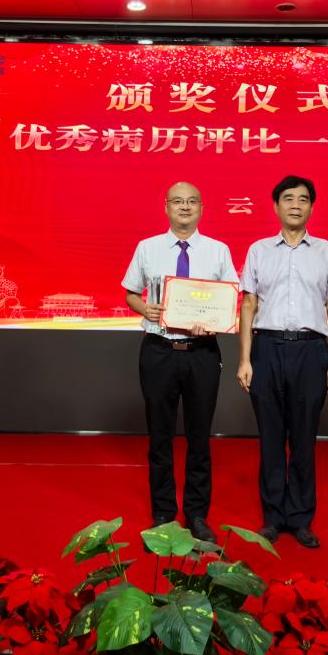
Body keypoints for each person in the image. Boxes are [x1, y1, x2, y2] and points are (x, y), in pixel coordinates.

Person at [237, 175, 328, 549]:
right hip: (266, 349)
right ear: (276, 206)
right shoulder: (258, 250)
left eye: (303, 199)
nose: (296, 205)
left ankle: (300, 518)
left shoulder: (326, 252)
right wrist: (245, 358)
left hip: (311, 351)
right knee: (270, 438)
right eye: (288, 198)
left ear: (311, 207)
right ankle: (272, 517)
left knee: (303, 438)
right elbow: (248, 305)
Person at [122, 182, 238, 543]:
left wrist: (214, 321)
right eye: (177, 201)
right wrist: (145, 308)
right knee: (160, 435)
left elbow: (230, 300)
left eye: (191, 201)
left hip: (202, 352)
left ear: (202, 207)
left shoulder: (218, 251)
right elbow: (130, 294)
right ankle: (163, 514)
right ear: (166, 207)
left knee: (200, 437)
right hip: (159, 350)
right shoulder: (148, 247)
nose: (184, 207)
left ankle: (197, 515)